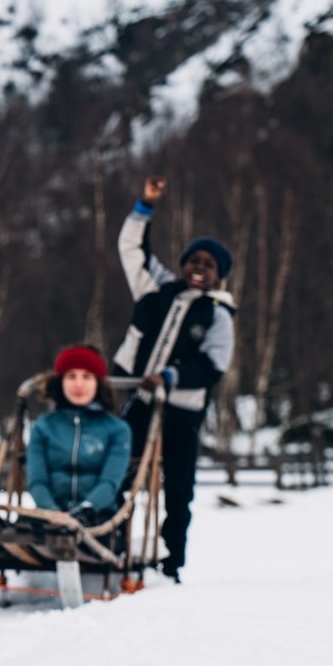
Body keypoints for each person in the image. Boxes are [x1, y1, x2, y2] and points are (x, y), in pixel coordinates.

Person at [112, 175, 236, 582]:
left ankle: (172, 559)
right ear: (183, 264)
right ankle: (111, 543)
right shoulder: (156, 288)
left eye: (209, 265)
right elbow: (132, 248)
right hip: (139, 400)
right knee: (121, 470)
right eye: (194, 261)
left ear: (219, 276)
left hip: (181, 411)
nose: (199, 269)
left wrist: (170, 376)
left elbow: (213, 366)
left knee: (178, 486)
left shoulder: (217, 315)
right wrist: (145, 206)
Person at [26, 345, 132, 527]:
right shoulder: (44, 426)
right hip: (50, 515)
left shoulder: (117, 429)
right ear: (61, 381)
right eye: (71, 376)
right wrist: (51, 511)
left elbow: (110, 482)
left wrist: (87, 509)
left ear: (98, 382)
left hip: (99, 516)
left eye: (87, 376)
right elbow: (37, 480)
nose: (78, 384)